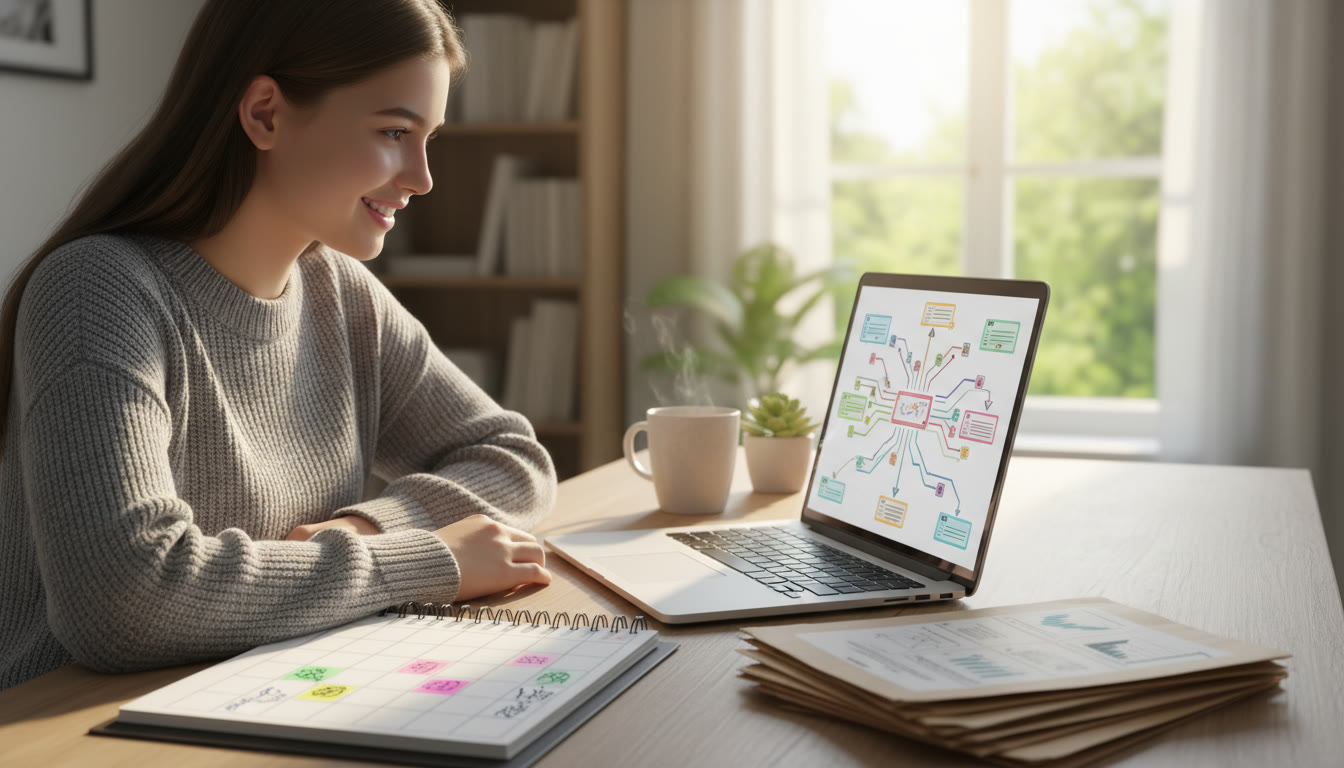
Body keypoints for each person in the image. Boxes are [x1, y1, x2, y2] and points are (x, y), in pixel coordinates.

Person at [0, 0, 556, 692]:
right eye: (393, 131)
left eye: (427, 140)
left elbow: (511, 459)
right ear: (265, 112)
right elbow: (121, 600)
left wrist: (367, 530)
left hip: (263, 692)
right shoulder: (98, 291)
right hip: (69, 726)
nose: (421, 178)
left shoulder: (341, 295)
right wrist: (430, 561)